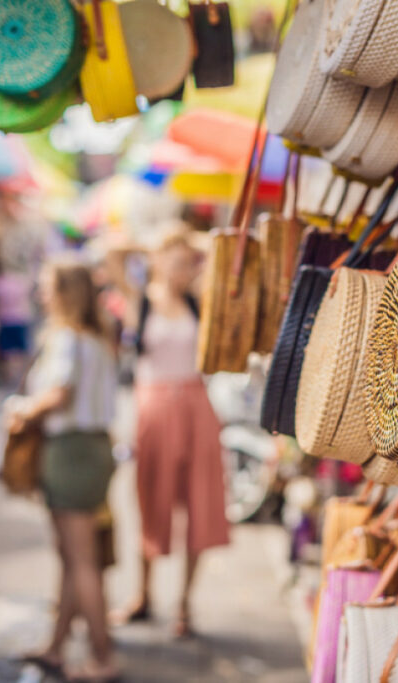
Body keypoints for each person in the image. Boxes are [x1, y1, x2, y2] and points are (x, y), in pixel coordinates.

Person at [107, 227, 229, 637]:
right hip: (153, 409)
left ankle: (185, 605)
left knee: (199, 503)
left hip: (196, 406)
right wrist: (156, 246)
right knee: (149, 501)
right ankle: (142, 595)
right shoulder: (140, 300)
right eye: (174, 260)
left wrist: (187, 246)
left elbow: (220, 254)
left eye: (186, 261)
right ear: (158, 260)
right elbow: (114, 251)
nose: (182, 268)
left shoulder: (197, 299)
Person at [10, 258, 119, 682]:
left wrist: (21, 412)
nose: (42, 295)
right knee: (74, 559)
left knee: (80, 560)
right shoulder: (96, 337)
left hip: (71, 450)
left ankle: (103, 656)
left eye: (47, 287)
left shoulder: (69, 339)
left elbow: (59, 393)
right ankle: (57, 646)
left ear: (65, 293)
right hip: (90, 448)